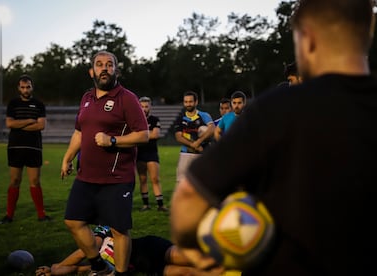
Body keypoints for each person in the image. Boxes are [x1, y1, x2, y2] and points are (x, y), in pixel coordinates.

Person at [170, 0, 377, 275]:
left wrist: (192, 248)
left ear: (308, 39)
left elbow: (188, 199)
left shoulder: (276, 110)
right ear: (367, 34)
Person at [60, 50, 149, 276]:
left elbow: (143, 135)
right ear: (92, 71)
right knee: (73, 221)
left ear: (116, 70)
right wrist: (67, 157)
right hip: (86, 177)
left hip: (116, 179)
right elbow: (79, 133)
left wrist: (112, 140)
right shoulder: (86, 98)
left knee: (119, 230)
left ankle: (120, 274)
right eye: (99, 64)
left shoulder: (127, 98)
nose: (104, 68)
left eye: (109, 64)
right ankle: (99, 265)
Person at [35, 225, 224, 276]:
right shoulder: (98, 265)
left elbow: (83, 252)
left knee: (190, 258)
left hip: (149, 249)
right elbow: (77, 269)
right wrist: (53, 273)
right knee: (188, 272)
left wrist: (57, 266)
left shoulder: (101, 233)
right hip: (147, 267)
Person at [0, 75, 50, 224]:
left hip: (34, 147)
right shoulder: (13, 104)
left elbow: (41, 125)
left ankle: (41, 215)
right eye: (22, 87)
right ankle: (9, 216)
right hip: (15, 147)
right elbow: (9, 123)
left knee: (35, 181)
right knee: (15, 180)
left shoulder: (39, 104)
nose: (25, 90)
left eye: (28, 87)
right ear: (18, 88)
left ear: (32, 87)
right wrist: (29, 121)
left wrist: (19, 124)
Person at [174, 91, 214, 183]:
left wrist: (198, 142)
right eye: (186, 102)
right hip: (186, 153)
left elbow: (212, 129)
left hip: (203, 153)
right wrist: (194, 145)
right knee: (181, 182)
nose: (188, 104)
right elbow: (178, 137)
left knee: (204, 183)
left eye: (190, 101)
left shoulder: (204, 115)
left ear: (196, 102)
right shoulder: (180, 118)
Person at [136, 96, 168, 212]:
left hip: (151, 153)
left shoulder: (154, 119)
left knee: (155, 178)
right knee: (142, 178)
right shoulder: (135, 120)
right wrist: (147, 134)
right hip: (139, 152)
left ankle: (160, 204)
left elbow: (156, 135)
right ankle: (146, 204)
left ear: (150, 107)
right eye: (142, 106)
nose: (144, 109)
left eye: (146, 106)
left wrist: (141, 135)